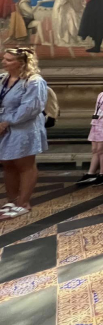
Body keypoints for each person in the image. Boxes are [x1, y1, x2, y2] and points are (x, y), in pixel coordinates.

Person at [0, 48, 48, 220]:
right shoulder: (3, 78)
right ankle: (12, 200)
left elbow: (31, 108)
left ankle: (23, 203)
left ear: (21, 62)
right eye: (4, 59)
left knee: (24, 164)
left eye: (9, 60)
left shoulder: (34, 81)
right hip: (3, 125)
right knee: (7, 162)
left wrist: (7, 122)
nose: (4, 62)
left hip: (24, 126)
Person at [77, 78, 103, 186]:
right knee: (95, 149)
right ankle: (91, 173)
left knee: (102, 150)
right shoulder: (101, 94)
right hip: (96, 123)